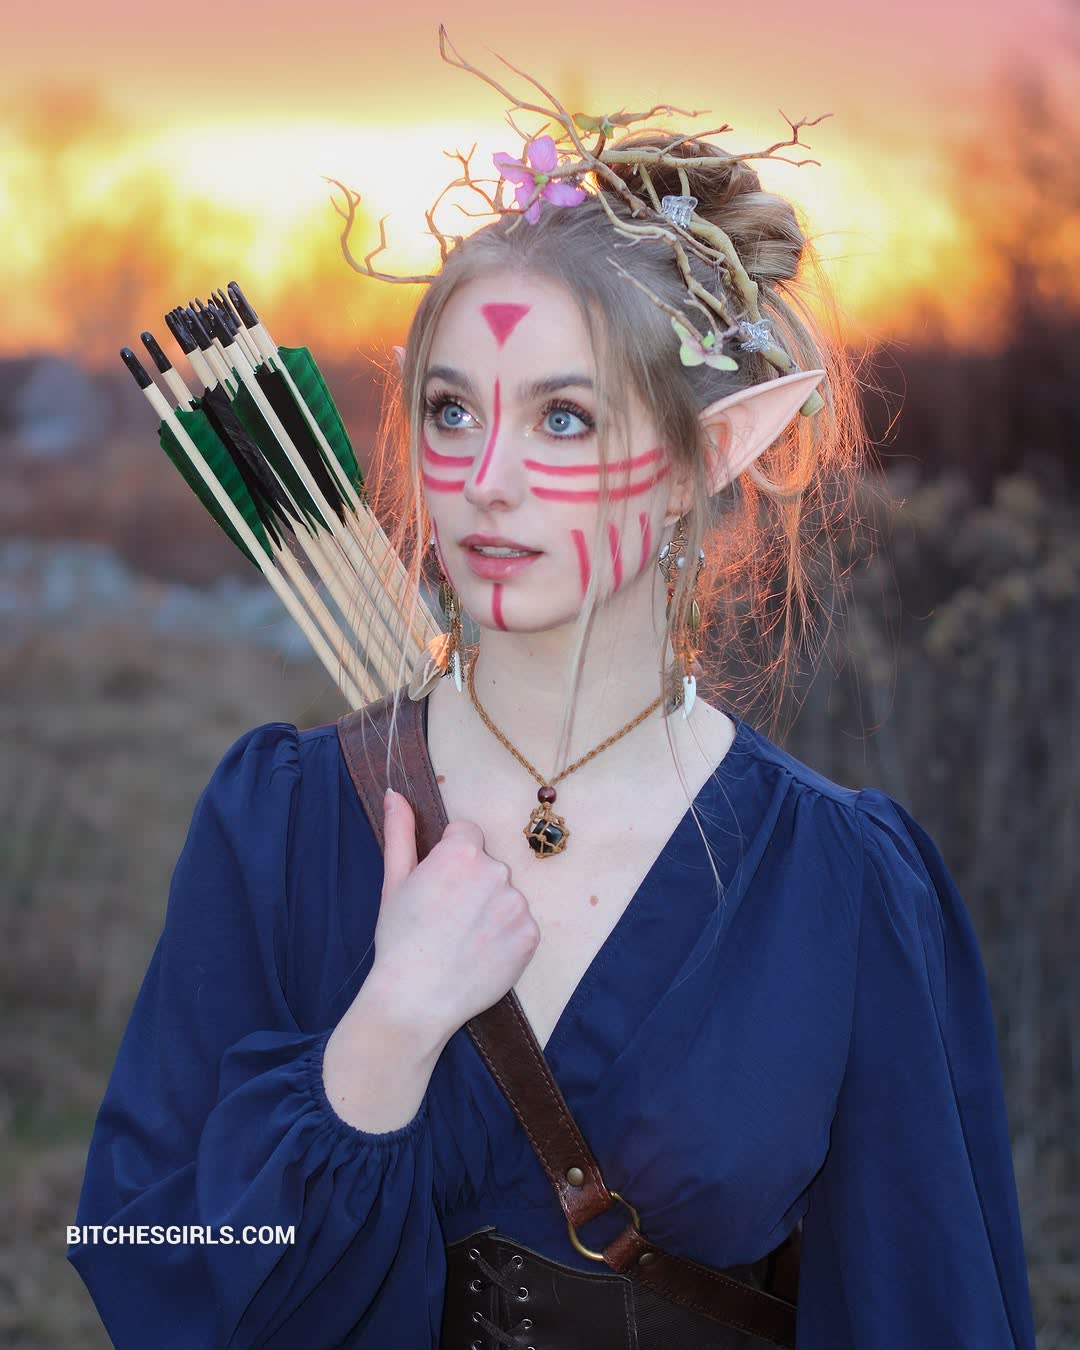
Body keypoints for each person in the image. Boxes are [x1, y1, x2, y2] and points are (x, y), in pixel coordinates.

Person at [68, 42, 1037, 1349]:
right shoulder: (283, 818)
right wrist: (380, 1042)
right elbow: (144, 1248)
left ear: (707, 455)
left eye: (564, 418)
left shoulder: (841, 886)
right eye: (453, 411)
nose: (488, 477)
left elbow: (923, 1310)